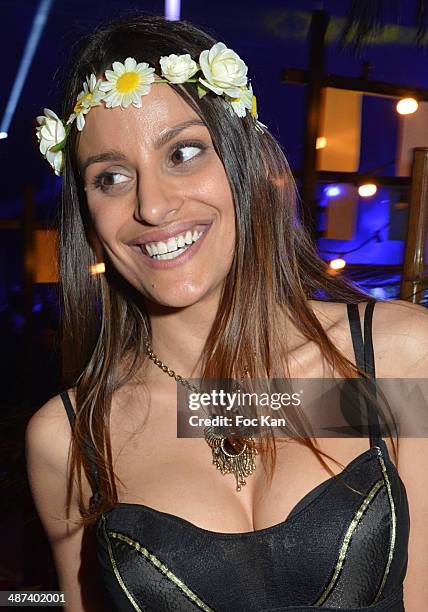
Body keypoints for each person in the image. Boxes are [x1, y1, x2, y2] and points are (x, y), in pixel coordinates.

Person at [25, 13, 428, 612]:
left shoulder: (392, 360)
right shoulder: (73, 438)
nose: (154, 206)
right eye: (110, 176)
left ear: (242, 161)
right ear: (87, 215)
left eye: (184, 152)